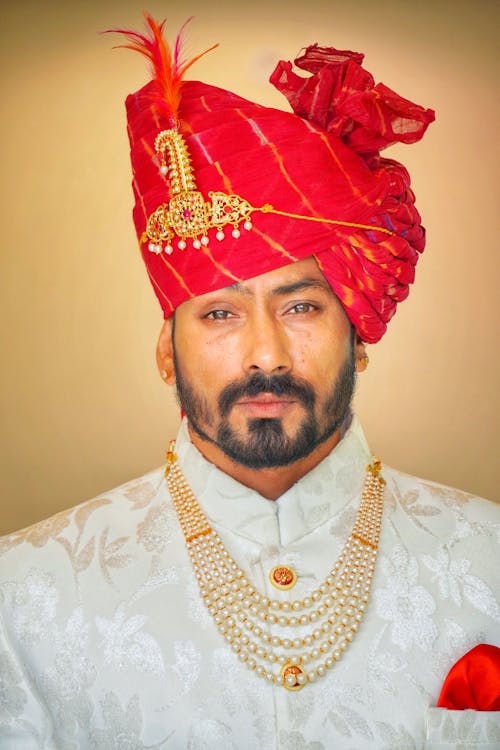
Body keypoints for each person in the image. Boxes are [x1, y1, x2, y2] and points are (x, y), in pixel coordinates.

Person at [0, 14, 499, 749]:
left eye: (300, 305)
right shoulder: (23, 596)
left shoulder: (488, 558)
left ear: (357, 337)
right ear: (168, 352)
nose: (265, 353)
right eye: (220, 314)